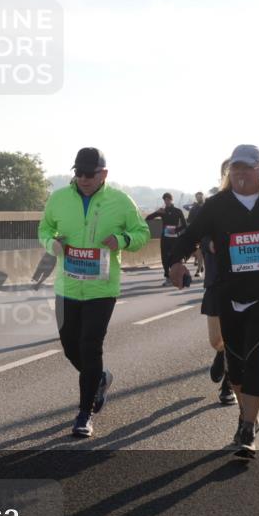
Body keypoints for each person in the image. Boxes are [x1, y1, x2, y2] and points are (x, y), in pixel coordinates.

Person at [166, 145, 259, 457]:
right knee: (236, 366)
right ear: (229, 172)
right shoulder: (217, 205)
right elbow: (191, 235)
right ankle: (251, 417)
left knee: (255, 358)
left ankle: (246, 429)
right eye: (235, 168)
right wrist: (175, 262)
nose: (241, 173)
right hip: (229, 293)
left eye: (247, 167)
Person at [38, 148, 150, 438]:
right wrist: (52, 244)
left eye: (90, 173)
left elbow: (143, 233)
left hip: (102, 288)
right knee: (69, 346)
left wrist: (123, 240)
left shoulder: (120, 201)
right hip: (68, 286)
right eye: (79, 173)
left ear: (104, 174)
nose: (84, 179)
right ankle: (99, 377)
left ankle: (84, 413)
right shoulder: (59, 198)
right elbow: (44, 228)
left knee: (90, 344)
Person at [202, 163, 235, 405]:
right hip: (216, 280)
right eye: (228, 172)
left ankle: (228, 386)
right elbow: (197, 233)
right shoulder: (212, 205)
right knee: (217, 339)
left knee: (239, 339)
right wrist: (207, 242)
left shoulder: (258, 205)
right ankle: (220, 352)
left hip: (245, 283)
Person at [145, 193, 187, 286]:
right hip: (165, 238)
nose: (166, 201)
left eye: (168, 199)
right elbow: (148, 218)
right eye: (165, 200)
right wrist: (157, 212)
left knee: (175, 258)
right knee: (164, 258)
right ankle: (167, 277)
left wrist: (176, 230)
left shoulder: (178, 211)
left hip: (175, 238)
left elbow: (184, 225)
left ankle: (177, 276)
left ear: (172, 200)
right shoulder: (162, 211)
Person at [187, 192, 206, 277]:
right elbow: (189, 221)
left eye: (200, 197)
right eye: (197, 197)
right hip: (197, 233)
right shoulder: (193, 208)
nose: (199, 199)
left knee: (206, 253)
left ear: (203, 197)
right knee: (198, 251)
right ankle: (199, 269)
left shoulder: (207, 206)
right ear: (196, 198)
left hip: (207, 232)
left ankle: (203, 266)